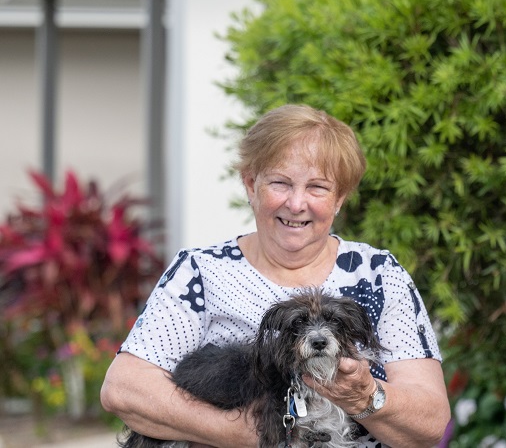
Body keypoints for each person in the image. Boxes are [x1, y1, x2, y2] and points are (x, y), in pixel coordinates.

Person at [101, 105, 450, 447]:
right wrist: (244, 434)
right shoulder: (201, 272)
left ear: (339, 198)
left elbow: (431, 422)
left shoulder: (379, 275)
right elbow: (125, 389)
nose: (297, 204)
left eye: (317, 187)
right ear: (251, 185)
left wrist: (365, 397)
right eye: (281, 183)